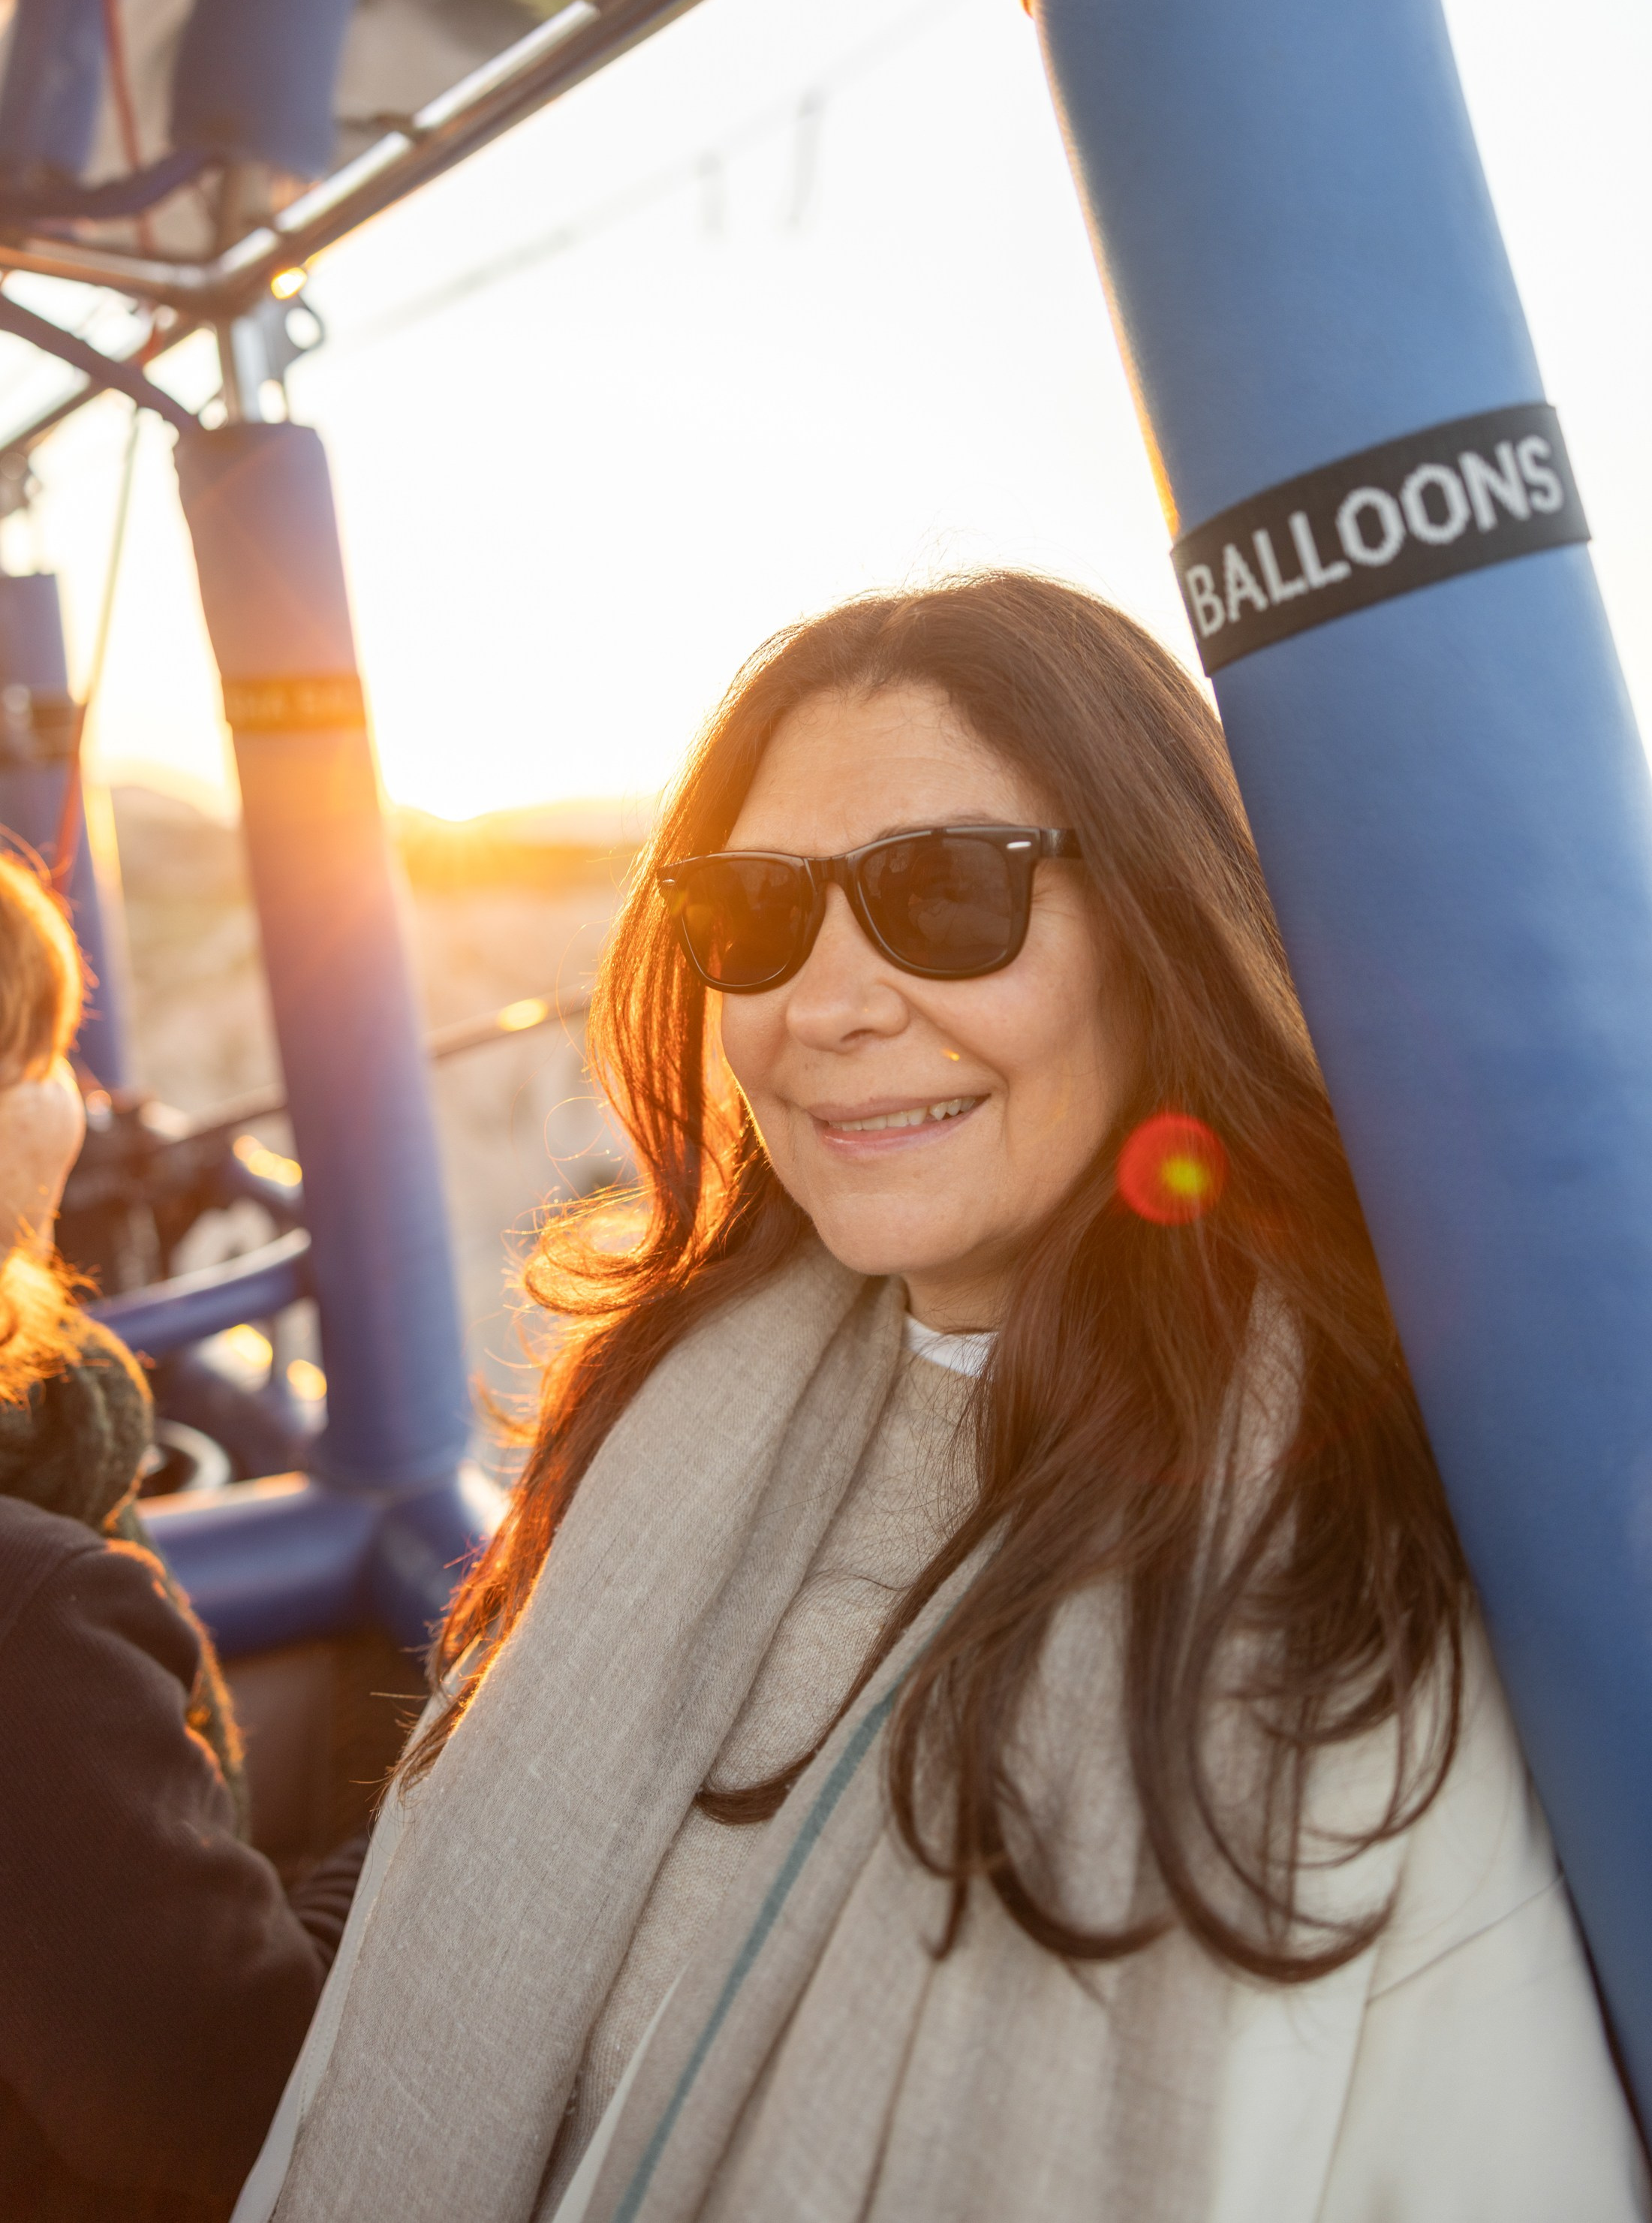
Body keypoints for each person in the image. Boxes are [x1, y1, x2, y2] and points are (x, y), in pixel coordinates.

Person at [238, 574, 1647, 2223]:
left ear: (1161, 917)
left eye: (948, 895)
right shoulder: (661, 1441)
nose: (823, 1007)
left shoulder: (1348, 1572)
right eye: (754, 914)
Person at [0, 851, 339, 2222]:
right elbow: (253, 2112)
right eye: (39, 1056)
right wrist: (450, 1802)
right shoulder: (38, 1623)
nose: (79, 1108)